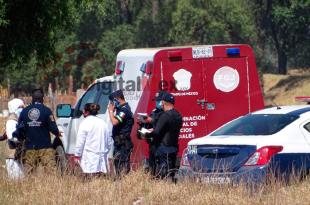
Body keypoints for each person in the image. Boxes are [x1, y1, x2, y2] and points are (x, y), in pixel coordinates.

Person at [17, 88, 60, 174]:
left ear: (32, 98)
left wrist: (22, 140)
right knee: (51, 173)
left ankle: (31, 187)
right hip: (45, 147)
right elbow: (53, 128)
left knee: (29, 173)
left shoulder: (24, 111)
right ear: (42, 99)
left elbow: (20, 129)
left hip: (30, 147)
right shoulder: (47, 111)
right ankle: (51, 187)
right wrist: (57, 133)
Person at [148, 92, 182, 180]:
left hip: (163, 148)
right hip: (174, 147)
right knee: (171, 172)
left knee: (162, 174)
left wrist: (147, 132)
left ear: (163, 103)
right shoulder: (178, 115)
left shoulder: (165, 115)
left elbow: (156, 132)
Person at [74, 103, 111, 179]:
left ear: (87, 112)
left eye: (83, 110)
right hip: (102, 158)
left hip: (89, 159)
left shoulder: (85, 123)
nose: (83, 112)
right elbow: (109, 141)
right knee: (100, 180)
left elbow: (80, 142)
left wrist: (77, 155)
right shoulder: (103, 123)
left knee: (89, 181)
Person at [137, 91, 165, 175]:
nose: (157, 103)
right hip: (152, 142)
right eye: (156, 101)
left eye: (158, 101)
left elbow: (161, 124)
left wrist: (151, 121)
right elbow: (149, 123)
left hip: (161, 143)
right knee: (152, 165)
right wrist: (142, 122)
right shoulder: (154, 111)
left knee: (161, 166)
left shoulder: (166, 113)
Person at [108, 89, 134, 176]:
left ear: (117, 99)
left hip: (123, 143)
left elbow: (115, 122)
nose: (111, 103)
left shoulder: (124, 110)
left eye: (112, 101)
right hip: (119, 142)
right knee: (117, 164)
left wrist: (111, 111)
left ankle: (122, 184)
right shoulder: (121, 109)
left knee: (121, 166)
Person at [0, 98, 25, 179]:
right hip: (12, 154)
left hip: (17, 154)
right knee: (15, 178)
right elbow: (12, 138)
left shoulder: (17, 119)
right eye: (20, 107)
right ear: (15, 107)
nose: (22, 109)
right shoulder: (11, 121)